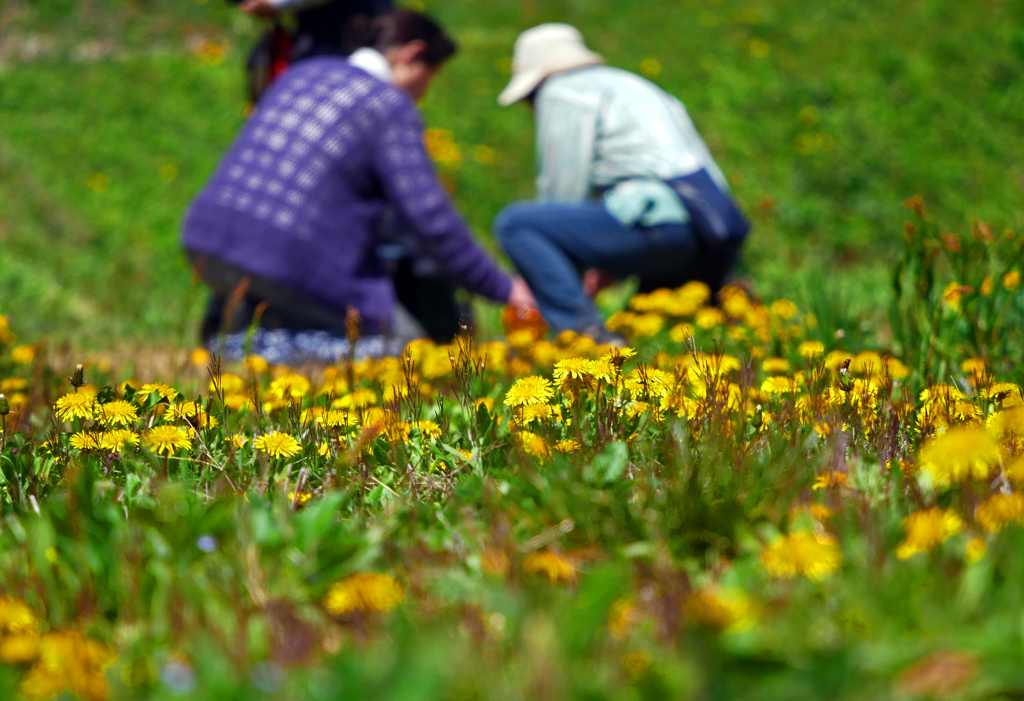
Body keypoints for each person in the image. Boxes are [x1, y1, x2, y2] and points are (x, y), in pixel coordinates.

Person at [182, 10, 534, 363]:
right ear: (412, 55)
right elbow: (432, 221)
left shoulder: (303, 73)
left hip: (206, 240)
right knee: (408, 355)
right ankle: (257, 355)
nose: (421, 94)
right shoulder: (386, 105)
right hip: (282, 259)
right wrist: (506, 289)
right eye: (428, 80)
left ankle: (238, 344)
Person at [494, 24, 749, 340]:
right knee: (658, 340)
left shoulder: (561, 92)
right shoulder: (635, 85)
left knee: (517, 224)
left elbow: (564, 189)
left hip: (655, 222)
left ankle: (586, 340)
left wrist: (568, 271)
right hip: (707, 236)